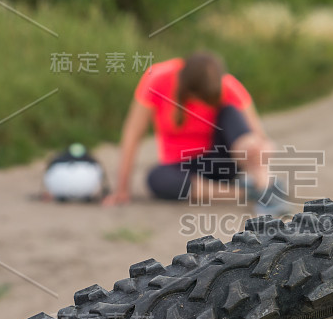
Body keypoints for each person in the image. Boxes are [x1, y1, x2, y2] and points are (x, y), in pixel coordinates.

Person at [102, 51, 287, 213]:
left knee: (231, 113)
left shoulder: (227, 85)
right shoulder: (157, 79)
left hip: (222, 160)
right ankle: (248, 192)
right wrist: (122, 189)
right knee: (156, 179)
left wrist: (262, 150)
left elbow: (259, 138)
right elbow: (133, 132)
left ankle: (265, 187)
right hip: (182, 168)